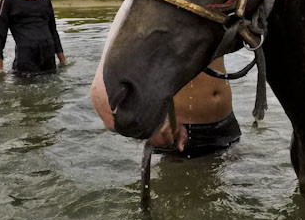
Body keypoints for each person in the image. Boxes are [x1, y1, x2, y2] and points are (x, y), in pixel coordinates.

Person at [90, 57, 241, 156]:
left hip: (227, 123)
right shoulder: (156, 13)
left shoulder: (215, 10)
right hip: (178, 131)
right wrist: (154, 120)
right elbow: (130, 72)